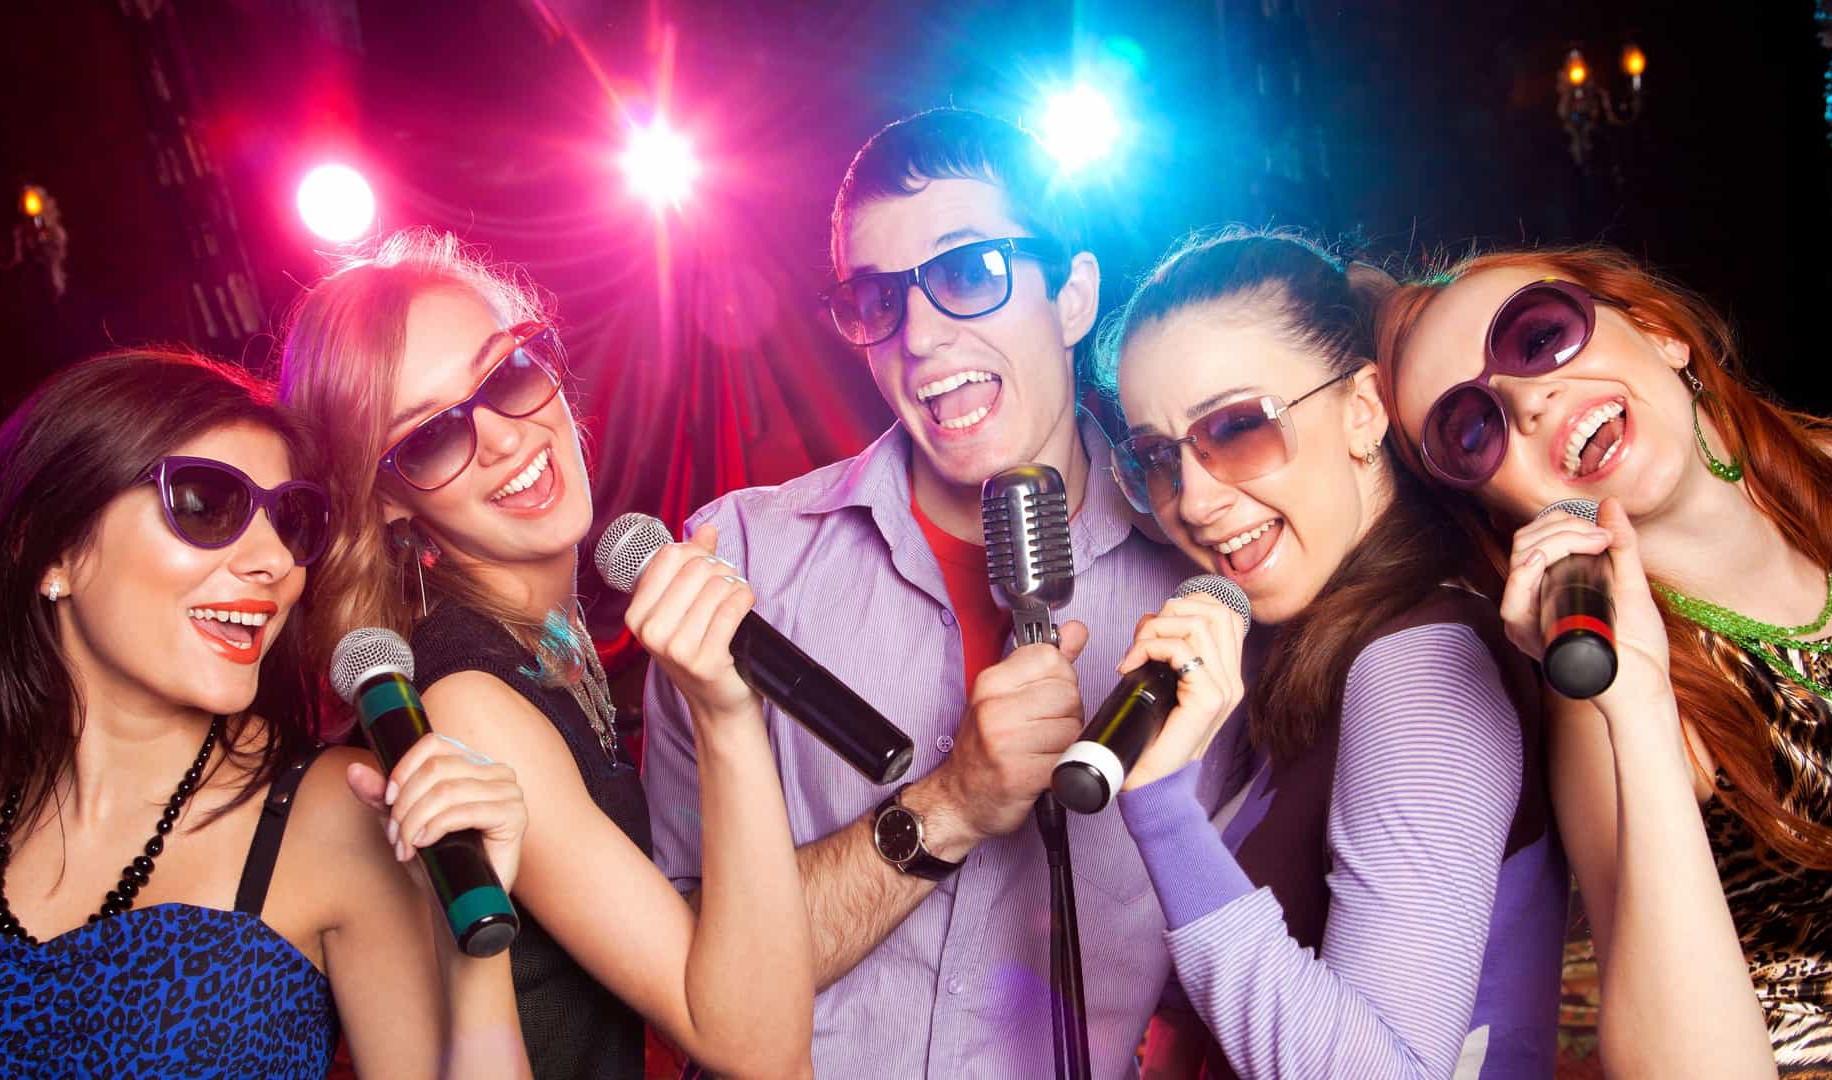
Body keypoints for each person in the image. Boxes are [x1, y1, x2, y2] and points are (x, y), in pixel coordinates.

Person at [639, 106, 1203, 1078]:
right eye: (876, 300)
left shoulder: (1201, 571)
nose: (923, 336)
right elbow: (693, 972)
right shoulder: (736, 567)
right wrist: (951, 802)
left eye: (968, 272)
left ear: (1072, 298)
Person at [278, 228, 813, 1080]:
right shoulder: (467, 702)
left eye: (508, 375)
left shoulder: (543, 639)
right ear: (382, 503)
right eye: (427, 439)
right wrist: (725, 712)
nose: (500, 436)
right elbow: (758, 1047)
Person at [0, 349, 530, 1079]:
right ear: (50, 547)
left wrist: (473, 938)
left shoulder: (336, 811)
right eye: (206, 505)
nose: (274, 560)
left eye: (291, 521)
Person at [1098, 230, 1567, 1078]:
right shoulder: (1302, 648)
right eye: (1158, 458)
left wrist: (1164, 811)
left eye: (1238, 427)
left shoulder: (1420, 671)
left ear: (1362, 410)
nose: (1195, 502)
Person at [1380, 245, 1832, 1077]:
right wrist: (1633, 708)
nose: (1526, 400)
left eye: (1536, 338)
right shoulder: (1605, 695)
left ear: (1662, 332)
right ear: (1502, 511)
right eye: (1472, 429)